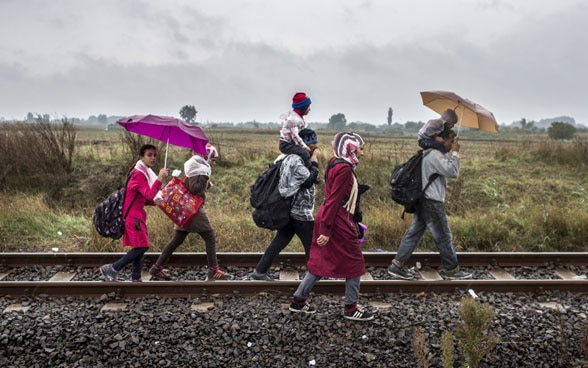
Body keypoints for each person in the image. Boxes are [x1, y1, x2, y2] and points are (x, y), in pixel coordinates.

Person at [289, 132, 374, 321]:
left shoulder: (335, 162)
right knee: (354, 262)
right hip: (336, 220)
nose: (362, 153)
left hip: (329, 216)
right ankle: (351, 308)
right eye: (360, 148)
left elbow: (333, 196)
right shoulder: (344, 169)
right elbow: (335, 200)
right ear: (350, 148)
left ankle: (298, 301)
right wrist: (326, 230)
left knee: (321, 261)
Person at [388, 129, 472, 280]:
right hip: (431, 202)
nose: (454, 144)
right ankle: (452, 269)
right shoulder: (434, 155)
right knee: (444, 236)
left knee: (414, 234)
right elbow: (453, 171)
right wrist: (456, 153)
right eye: (452, 140)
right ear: (443, 140)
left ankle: (396, 266)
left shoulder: (431, 153)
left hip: (424, 200)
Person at [149, 143, 233, 281]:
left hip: (184, 208)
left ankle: (156, 268)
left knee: (177, 239)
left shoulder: (194, 166)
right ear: (205, 157)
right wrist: (206, 183)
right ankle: (213, 270)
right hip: (192, 210)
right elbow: (194, 189)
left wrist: (205, 183)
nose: (213, 163)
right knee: (210, 237)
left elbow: (191, 185)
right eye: (212, 159)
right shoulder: (201, 169)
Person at [251, 128, 320, 281]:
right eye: (314, 143)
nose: (316, 146)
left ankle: (260, 271)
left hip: (291, 210)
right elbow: (308, 181)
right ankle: (315, 275)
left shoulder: (289, 157)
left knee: (281, 240)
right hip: (299, 211)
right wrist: (315, 164)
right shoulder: (295, 159)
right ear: (306, 144)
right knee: (311, 243)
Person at [100, 144, 169, 282]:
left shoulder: (142, 172)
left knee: (139, 246)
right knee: (143, 246)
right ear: (141, 157)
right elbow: (149, 194)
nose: (153, 158)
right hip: (133, 217)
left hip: (137, 215)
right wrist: (160, 178)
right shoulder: (138, 175)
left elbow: (142, 198)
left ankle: (136, 278)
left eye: (155, 155)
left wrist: (154, 203)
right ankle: (112, 268)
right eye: (149, 155)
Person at [279, 92, 313, 169]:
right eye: (308, 107)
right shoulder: (293, 119)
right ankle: (308, 174)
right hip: (286, 145)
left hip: (292, 143)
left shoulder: (300, 118)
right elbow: (295, 135)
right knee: (305, 154)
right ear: (303, 107)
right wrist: (304, 147)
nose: (310, 109)